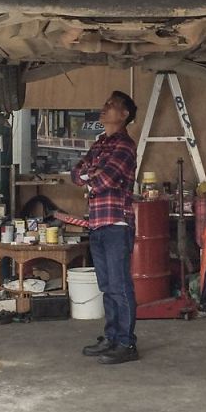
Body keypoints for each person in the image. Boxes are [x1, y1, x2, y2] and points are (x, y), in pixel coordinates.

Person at [71, 90, 139, 364]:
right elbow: (76, 173)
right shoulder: (100, 144)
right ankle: (111, 337)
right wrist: (90, 175)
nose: (104, 107)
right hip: (97, 222)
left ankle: (126, 343)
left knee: (120, 285)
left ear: (124, 115)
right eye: (105, 103)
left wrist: (91, 176)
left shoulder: (125, 146)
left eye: (111, 105)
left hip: (116, 223)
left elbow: (106, 180)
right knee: (107, 284)